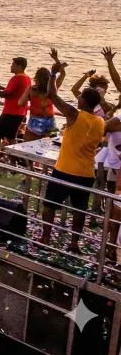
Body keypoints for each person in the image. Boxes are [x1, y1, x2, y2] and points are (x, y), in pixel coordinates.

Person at [41, 63, 121, 252]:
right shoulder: (100, 122)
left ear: (83, 102)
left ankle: (45, 237)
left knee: (50, 204)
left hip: (64, 169)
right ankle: (74, 243)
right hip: (85, 173)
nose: (78, 100)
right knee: (79, 209)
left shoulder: (74, 115)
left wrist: (53, 73)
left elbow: (52, 95)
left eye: (80, 98)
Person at [0, 57, 31, 170]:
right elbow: (14, 91)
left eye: (13, 64)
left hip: (10, 112)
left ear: (19, 66)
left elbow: (5, 95)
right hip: (21, 112)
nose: (11, 66)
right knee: (12, 137)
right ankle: (13, 163)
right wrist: (1, 88)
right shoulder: (27, 79)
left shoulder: (16, 78)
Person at [18, 63, 62, 141]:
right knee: (52, 144)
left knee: (28, 146)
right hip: (51, 123)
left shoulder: (31, 89)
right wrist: (56, 62)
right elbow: (63, 75)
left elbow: (20, 103)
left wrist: (30, 100)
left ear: (36, 78)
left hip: (34, 123)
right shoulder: (52, 90)